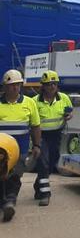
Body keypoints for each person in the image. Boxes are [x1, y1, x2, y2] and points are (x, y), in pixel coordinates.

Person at [0, 69, 40, 222]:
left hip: (20, 149)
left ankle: (10, 202)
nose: (14, 88)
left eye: (17, 85)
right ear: (5, 87)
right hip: (2, 150)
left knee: (15, 176)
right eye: (11, 85)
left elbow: (36, 126)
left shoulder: (29, 103)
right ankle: (4, 202)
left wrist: (36, 145)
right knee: (1, 177)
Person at [32, 70, 72, 206]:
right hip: (40, 135)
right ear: (43, 86)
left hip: (56, 134)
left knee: (52, 161)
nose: (52, 87)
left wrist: (69, 115)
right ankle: (45, 194)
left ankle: (39, 185)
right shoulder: (34, 102)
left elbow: (70, 111)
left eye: (54, 84)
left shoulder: (64, 98)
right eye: (48, 84)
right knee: (43, 162)